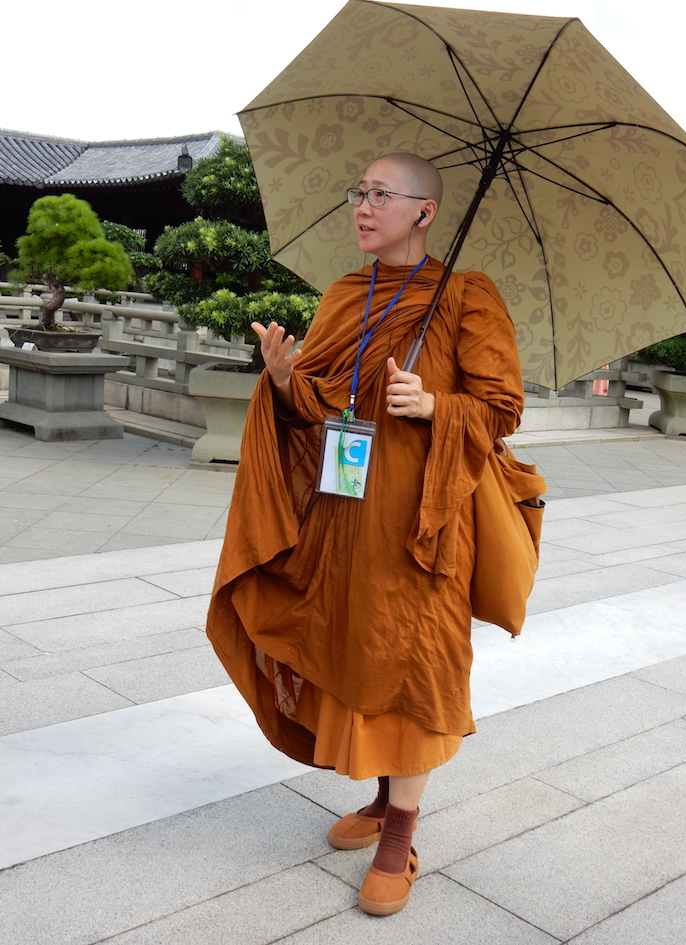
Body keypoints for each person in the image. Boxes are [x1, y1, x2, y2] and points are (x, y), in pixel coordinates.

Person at [206, 152, 525, 916]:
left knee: (413, 662)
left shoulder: (467, 296)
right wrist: (285, 380)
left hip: (422, 519)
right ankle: (385, 800)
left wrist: (435, 406)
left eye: (380, 195)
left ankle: (400, 835)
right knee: (361, 649)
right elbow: (320, 403)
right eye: (358, 192)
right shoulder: (348, 293)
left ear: (423, 211)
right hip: (343, 512)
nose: (361, 206)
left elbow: (501, 405)